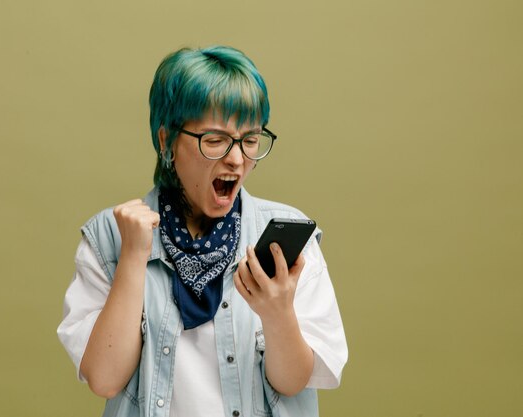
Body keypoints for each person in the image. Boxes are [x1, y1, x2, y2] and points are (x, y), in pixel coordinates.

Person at [57, 45, 348, 417]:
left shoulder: (286, 242)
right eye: (215, 141)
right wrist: (132, 258)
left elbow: (292, 383)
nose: (237, 159)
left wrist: (278, 313)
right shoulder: (110, 238)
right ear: (166, 142)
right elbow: (104, 378)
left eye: (250, 140)